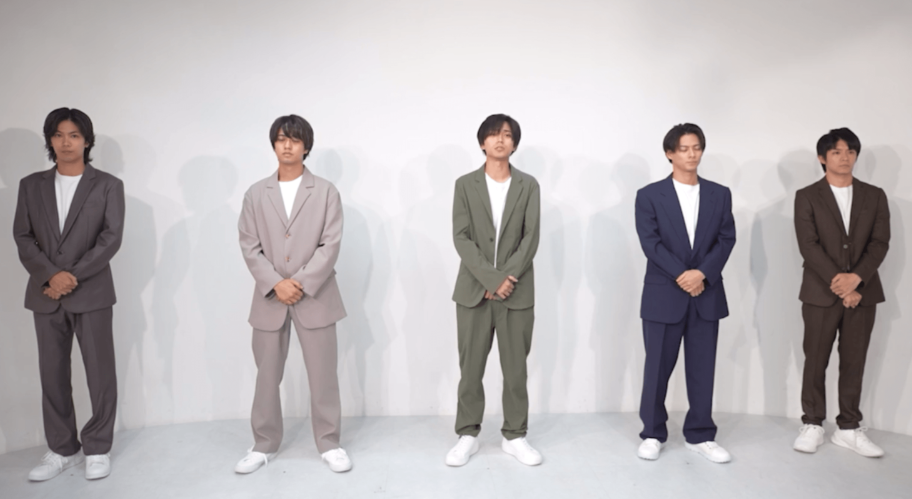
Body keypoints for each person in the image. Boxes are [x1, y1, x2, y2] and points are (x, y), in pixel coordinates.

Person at [236, 114, 351, 473]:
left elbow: (330, 244)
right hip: (270, 298)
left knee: (323, 376)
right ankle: (263, 444)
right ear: (274, 144)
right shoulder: (256, 193)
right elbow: (249, 244)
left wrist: (298, 282)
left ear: (306, 146)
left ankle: (329, 443)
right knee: (266, 376)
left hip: (315, 296)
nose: (287, 145)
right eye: (281, 139)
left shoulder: (326, 191)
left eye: (295, 139)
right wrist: (276, 283)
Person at [14, 108, 125, 481]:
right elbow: (22, 236)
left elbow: (110, 239)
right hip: (45, 294)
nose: (66, 142)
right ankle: (63, 449)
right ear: (50, 140)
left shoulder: (108, 185)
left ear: (87, 141)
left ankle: (98, 447)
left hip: (92, 293)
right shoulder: (31, 185)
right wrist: (51, 275)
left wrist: (70, 276)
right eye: (58, 135)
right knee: (52, 375)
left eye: (74, 135)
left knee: (100, 373)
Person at [634, 123, 735, 463]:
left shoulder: (719, 194)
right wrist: (683, 275)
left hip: (706, 293)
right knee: (657, 369)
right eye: (684, 149)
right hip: (664, 294)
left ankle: (701, 434)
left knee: (703, 368)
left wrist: (702, 273)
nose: (692, 154)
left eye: (697, 147)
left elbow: (726, 239)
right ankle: (652, 433)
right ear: (669, 153)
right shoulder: (649, 195)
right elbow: (651, 243)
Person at [445, 114, 542, 467]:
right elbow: (461, 237)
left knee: (515, 370)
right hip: (474, 292)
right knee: (470, 369)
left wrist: (504, 279)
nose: (500, 140)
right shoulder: (464, 184)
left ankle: (515, 435)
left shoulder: (528, 185)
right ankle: (467, 435)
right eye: (493, 134)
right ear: (482, 142)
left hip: (517, 292)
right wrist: (490, 279)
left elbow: (531, 238)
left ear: (514, 143)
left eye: (507, 135)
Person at [792, 128, 889, 457]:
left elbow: (880, 243)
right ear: (822, 158)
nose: (844, 157)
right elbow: (808, 245)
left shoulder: (874, 195)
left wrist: (856, 280)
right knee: (815, 359)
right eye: (836, 152)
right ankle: (813, 424)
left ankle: (848, 427)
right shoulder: (807, 196)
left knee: (854, 361)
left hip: (864, 293)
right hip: (820, 292)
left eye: (850, 151)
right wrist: (841, 282)